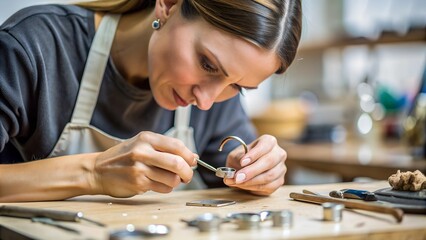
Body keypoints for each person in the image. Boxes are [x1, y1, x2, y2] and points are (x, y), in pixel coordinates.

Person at [0, 0, 302, 202]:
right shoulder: (32, 46)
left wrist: (261, 173)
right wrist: (92, 172)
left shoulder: (214, 95)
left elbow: (239, 176)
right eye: (208, 64)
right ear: (168, 6)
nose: (207, 101)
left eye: (237, 85)